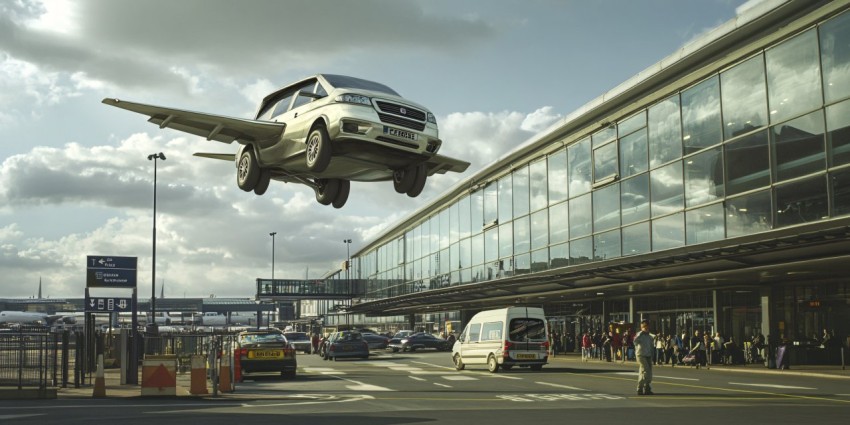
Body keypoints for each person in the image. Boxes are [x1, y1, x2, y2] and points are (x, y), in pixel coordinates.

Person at [633, 320, 655, 395]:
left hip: (648, 355)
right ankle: (640, 388)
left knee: (648, 372)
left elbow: (651, 345)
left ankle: (647, 388)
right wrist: (639, 334)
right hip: (641, 355)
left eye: (647, 326)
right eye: (644, 326)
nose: (646, 327)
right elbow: (634, 342)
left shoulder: (649, 336)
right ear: (641, 327)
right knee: (646, 371)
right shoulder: (640, 334)